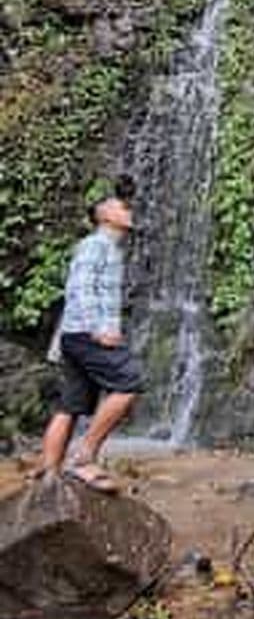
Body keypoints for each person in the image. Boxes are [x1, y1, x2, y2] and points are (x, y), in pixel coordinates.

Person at [39, 190, 144, 492]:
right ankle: (84, 458)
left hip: (74, 334)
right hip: (88, 333)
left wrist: (64, 342)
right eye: (120, 206)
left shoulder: (110, 248)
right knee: (129, 382)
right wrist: (99, 328)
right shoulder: (95, 245)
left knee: (70, 405)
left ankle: (48, 474)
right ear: (104, 215)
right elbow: (80, 289)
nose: (128, 209)